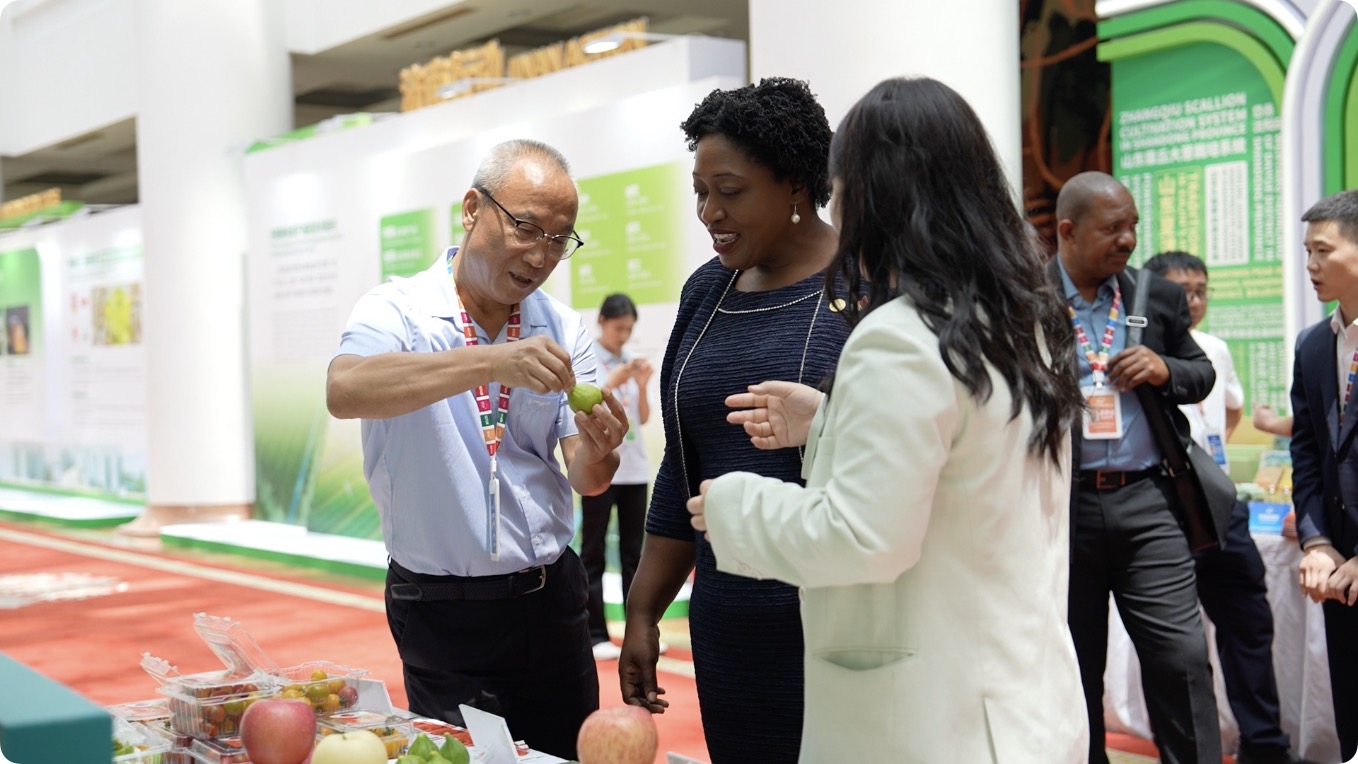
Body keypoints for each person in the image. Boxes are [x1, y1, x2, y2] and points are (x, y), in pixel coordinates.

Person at [684, 76, 1089, 762]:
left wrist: (735, 505)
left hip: (933, 723)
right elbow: (968, 463)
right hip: (1024, 707)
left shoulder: (899, 335)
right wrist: (831, 421)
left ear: (877, 198)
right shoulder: (1022, 324)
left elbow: (863, 535)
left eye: (842, 193)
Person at [325, 139, 628, 760]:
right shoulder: (399, 309)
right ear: (472, 209)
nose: (540, 256)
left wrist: (602, 448)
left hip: (550, 601)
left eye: (559, 239)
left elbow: (587, 477)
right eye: (526, 228)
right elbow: (345, 389)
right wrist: (491, 361)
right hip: (440, 611)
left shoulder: (562, 326)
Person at [617, 77, 850, 763]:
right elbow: (684, 463)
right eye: (700, 191)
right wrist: (643, 611)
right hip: (727, 628)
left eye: (730, 190)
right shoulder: (706, 292)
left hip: (839, 630)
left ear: (796, 185)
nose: (709, 212)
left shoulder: (867, 288)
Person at [1051, 171, 1222, 764]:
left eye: (1132, 227)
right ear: (1068, 231)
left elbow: (1202, 374)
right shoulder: (1024, 299)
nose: (1127, 239)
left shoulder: (1156, 297)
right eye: (1112, 228)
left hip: (1149, 500)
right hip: (1061, 505)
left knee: (1181, 658)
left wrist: (1165, 369)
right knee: (1074, 661)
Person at [1144, 251, 1315, 764]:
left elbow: (1233, 407)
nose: (1193, 302)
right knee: (1178, 641)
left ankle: (1263, 744)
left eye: (1201, 291)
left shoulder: (1215, 348)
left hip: (1219, 503)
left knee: (1249, 621)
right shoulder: (1139, 352)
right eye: (1182, 292)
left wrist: (1207, 463)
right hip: (1161, 504)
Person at [1289, 188, 1358, 760]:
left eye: (1323, 251)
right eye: (1307, 252)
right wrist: (1317, 541)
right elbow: (1308, 451)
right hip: (1340, 576)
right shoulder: (1313, 345)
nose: (1310, 265)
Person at [581, 292, 653, 661]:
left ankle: (635, 631)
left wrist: (641, 384)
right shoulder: (587, 357)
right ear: (602, 322)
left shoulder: (629, 359)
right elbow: (587, 404)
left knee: (633, 554)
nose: (623, 335)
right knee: (593, 551)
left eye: (628, 329)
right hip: (600, 467)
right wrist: (616, 377)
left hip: (635, 469)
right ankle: (595, 633)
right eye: (618, 328)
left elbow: (643, 417)